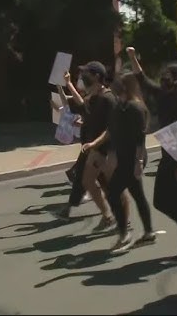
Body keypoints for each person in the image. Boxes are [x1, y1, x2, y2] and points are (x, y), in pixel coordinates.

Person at [127, 48, 177, 265]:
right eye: (163, 74)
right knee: (160, 200)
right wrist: (132, 57)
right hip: (169, 145)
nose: (164, 77)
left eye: (169, 75)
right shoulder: (161, 93)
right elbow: (143, 80)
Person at [83, 73, 156, 253]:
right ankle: (147, 232)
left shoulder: (135, 108)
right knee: (136, 194)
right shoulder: (119, 107)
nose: (112, 87)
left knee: (114, 193)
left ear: (123, 88)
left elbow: (140, 138)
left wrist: (138, 162)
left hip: (133, 158)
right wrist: (96, 144)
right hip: (122, 157)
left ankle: (125, 234)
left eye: (116, 85)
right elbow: (110, 131)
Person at [54, 61, 118, 232]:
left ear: (97, 76)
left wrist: (97, 144)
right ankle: (109, 216)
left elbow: (113, 128)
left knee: (109, 186)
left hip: (104, 150)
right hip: (91, 148)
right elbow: (80, 105)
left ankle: (119, 219)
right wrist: (66, 84)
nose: (83, 77)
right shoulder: (94, 98)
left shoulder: (108, 98)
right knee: (88, 182)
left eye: (86, 74)